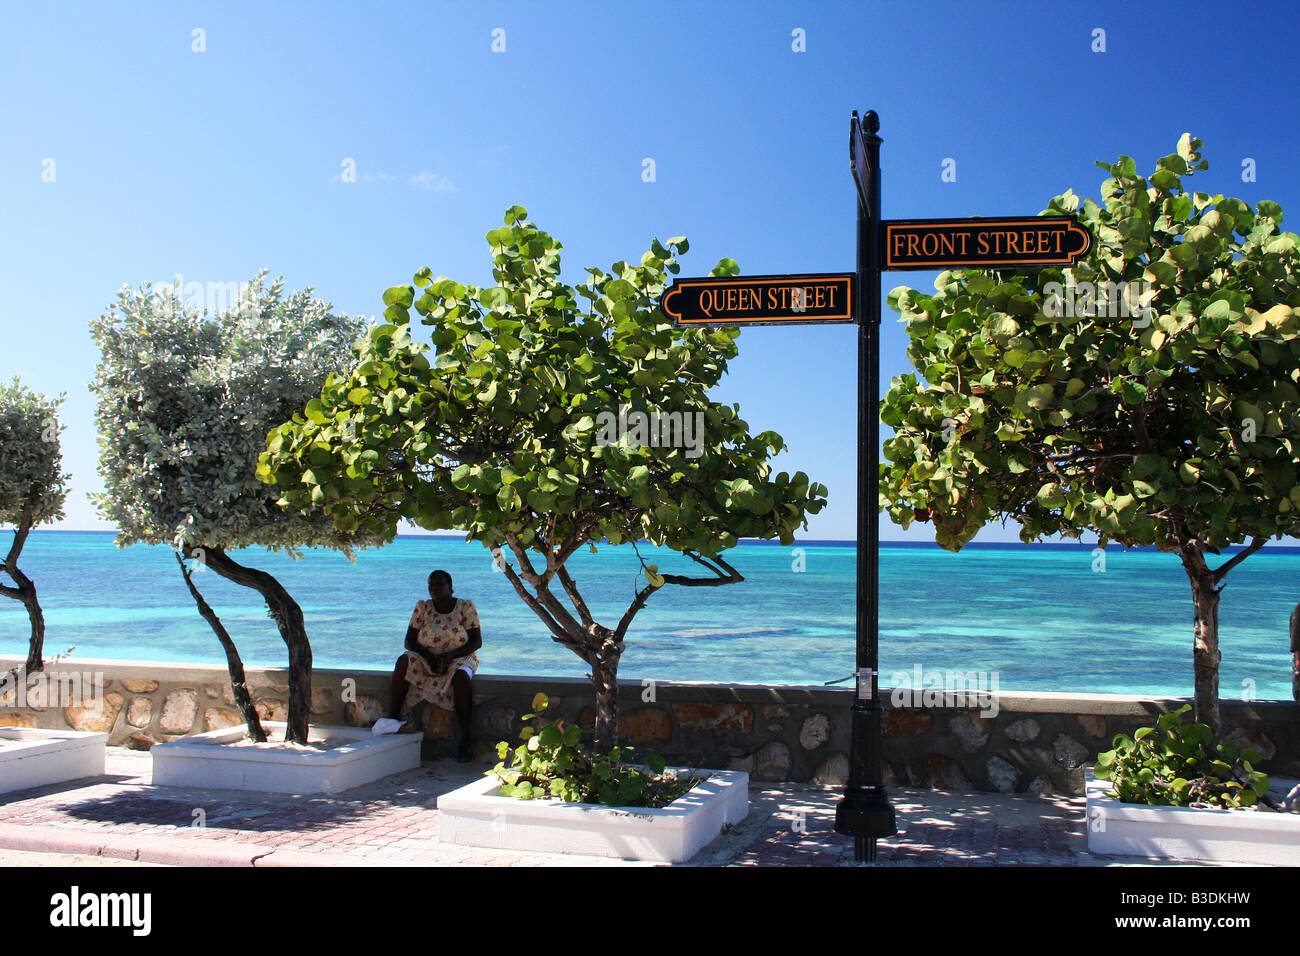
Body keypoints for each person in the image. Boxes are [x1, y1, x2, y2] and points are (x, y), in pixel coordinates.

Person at [389, 569, 481, 762]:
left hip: (459, 656)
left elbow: (476, 641)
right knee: (403, 661)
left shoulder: (465, 607)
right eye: (431, 585)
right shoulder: (423, 608)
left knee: (461, 677)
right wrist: (427, 656)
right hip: (427, 656)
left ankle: (465, 738)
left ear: (450, 587)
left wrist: (450, 656)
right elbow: (409, 640)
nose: (434, 588)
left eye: (439, 584)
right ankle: (392, 719)